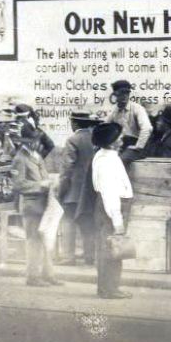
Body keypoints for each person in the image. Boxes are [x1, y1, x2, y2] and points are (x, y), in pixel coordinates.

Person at [86, 121, 133, 299]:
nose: (122, 140)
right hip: (112, 208)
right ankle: (109, 289)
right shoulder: (106, 161)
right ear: (112, 141)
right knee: (112, 248)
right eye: (119, 137)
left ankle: (110, 287)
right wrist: (117, 220)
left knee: (111, 248)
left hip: (113, 206)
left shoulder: (107, 155)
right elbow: (109, 192)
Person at [11, 126, 61, 287]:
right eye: (33, 140)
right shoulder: (20, 158)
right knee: (33, 241)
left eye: (37, 140)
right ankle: (32, 277)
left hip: (43, 203)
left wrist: (50, 182)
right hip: (31, 205)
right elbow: (18, 184)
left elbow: (43, 176)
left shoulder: (36, 156)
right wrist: (41, 185)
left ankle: (48, 274)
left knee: (45, 240)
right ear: (26, 141)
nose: (37, 143)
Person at [58, 110, 103, 266]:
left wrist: (61, 191)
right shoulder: (96, 140)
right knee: (88, 224)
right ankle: (89, 257)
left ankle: (68, 257)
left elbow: (66, 169)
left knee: (68, 221)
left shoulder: (72, 140)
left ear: (74, 123)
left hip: (73, 192)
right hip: (91, 191)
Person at [102, 80, 151, 157]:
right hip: (120, 145)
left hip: (136, 146)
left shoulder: (137, 108)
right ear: (115, 95)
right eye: (121, 93)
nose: (125, 96)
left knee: (120, 161)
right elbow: (104, 127)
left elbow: (147, 128)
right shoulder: (114, 111)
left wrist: (138, 146)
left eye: (127, 93)